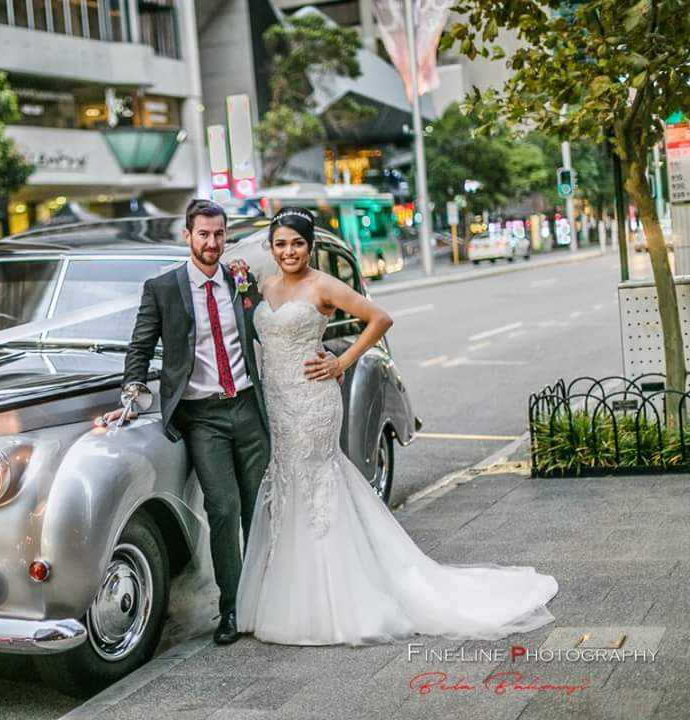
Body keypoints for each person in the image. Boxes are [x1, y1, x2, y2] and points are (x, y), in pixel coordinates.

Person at [235, 206, 558, 646]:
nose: (289, 251)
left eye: (297, 243)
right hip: (277, 403)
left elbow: (379, 317)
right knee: (287, 485)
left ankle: (330, 602)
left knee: (315, 486)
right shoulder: (262, 286)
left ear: (309, 246)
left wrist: (342, 361)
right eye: (281, 244)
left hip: (313, 402)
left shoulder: (323, 285)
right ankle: (287, 591)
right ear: (270, 249)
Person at [100, 199, 271, 646]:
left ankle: (262, 600)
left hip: (249, 409)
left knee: (259, 509)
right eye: (203, 235)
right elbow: (139, 350)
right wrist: (132, 395)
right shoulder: (162, 289)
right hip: (203, 418)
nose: (212, 243)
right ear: (188, 236)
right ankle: (231, 609)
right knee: (223, 509)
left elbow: (263, 331)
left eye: (219, 234)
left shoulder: (241, 280)